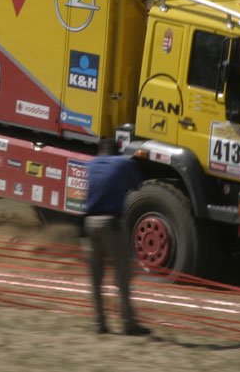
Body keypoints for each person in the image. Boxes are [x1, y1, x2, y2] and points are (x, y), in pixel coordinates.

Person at [83, 138, 150, 336]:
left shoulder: (92, 164)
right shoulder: (123, 163)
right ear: (116, 151)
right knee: (122, 276)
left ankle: (100, 323)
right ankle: (129, 324)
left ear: (100, 151)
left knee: (96, 277)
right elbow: (138, 185)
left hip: (89, 224)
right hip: (110, 224)